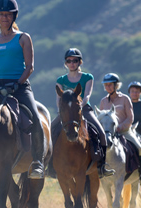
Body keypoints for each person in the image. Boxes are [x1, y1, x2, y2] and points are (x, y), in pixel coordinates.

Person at [0, 0, 44, 179]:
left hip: (19, 86)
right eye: (2, 14)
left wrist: (17, 84)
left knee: (35, 118)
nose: (5, 17)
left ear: (14, 16)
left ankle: (37, 162)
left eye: (9, 14)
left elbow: (30, 67)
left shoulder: (23, 38)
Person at [49, 48, 115, 179]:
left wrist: (79, 106)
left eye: (75, 60)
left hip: (84, 109)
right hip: (66, 112)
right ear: (66, 63)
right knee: (50, 130)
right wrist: (65, 110)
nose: (72, 63)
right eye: (69, 61)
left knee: (101, 133)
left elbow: (87, 95)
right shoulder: (61, 80)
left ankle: (102, 166)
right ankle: (49, 165)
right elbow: (58, 100)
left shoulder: (87, 77)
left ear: (80, 62)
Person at [100, 73, 141, 185]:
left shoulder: (125, 99)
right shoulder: (103, 101)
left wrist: (119, 127)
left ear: (116, 85)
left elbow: (130, 118)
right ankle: (98, 171)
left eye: (110, 85)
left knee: (139, 148)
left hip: (124, 132)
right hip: (108, 134)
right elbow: (100, 119)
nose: (108, 87)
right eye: (106, 85)